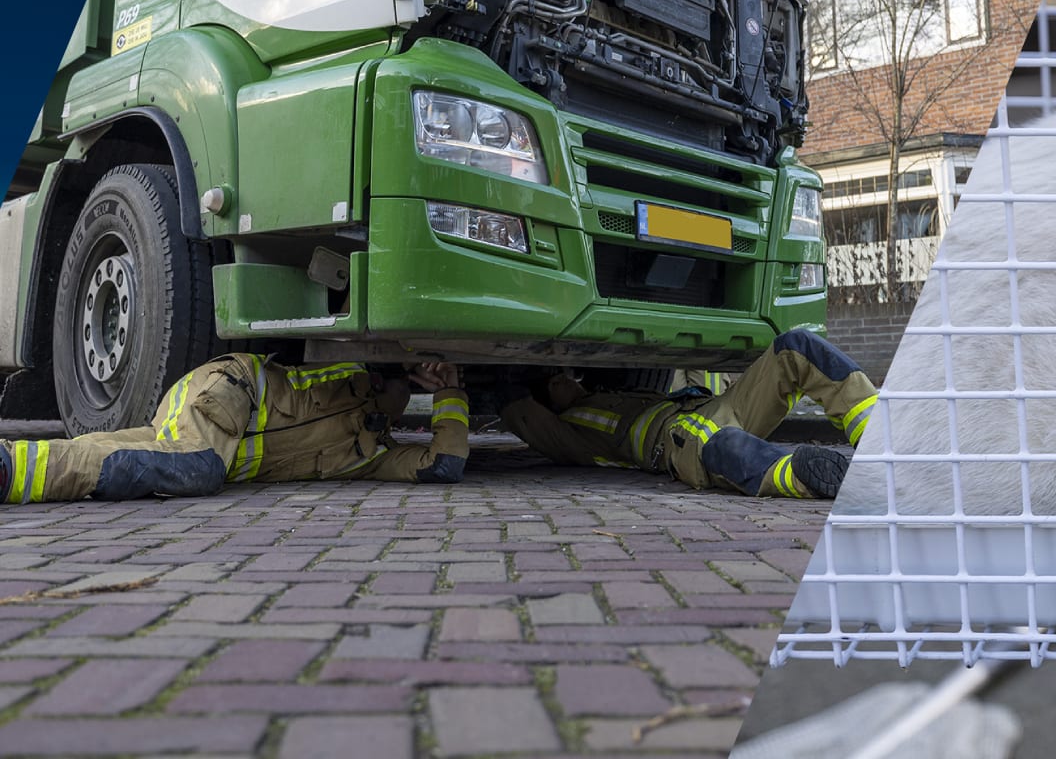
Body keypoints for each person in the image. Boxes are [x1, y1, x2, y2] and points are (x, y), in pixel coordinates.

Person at [0, 356, 469, 503]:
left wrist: (451, 391)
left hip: (211, 437)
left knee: (112, 451)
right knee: (199, 467)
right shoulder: (349, 367)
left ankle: (12, 464)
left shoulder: (372, 454)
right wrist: (402, 362)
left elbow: (443, 466)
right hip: (227, 388)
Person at [500, 329, 876, 500]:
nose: (567, 380)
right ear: (548, 398)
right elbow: (524, 417)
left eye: (567, 375)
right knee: (725, 445)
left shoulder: (612, 392)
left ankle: (881, 438)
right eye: (558, 381)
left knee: (796, 346)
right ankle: (803, 477)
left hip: (714, 406)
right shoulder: (570, 433)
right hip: (676, 441)